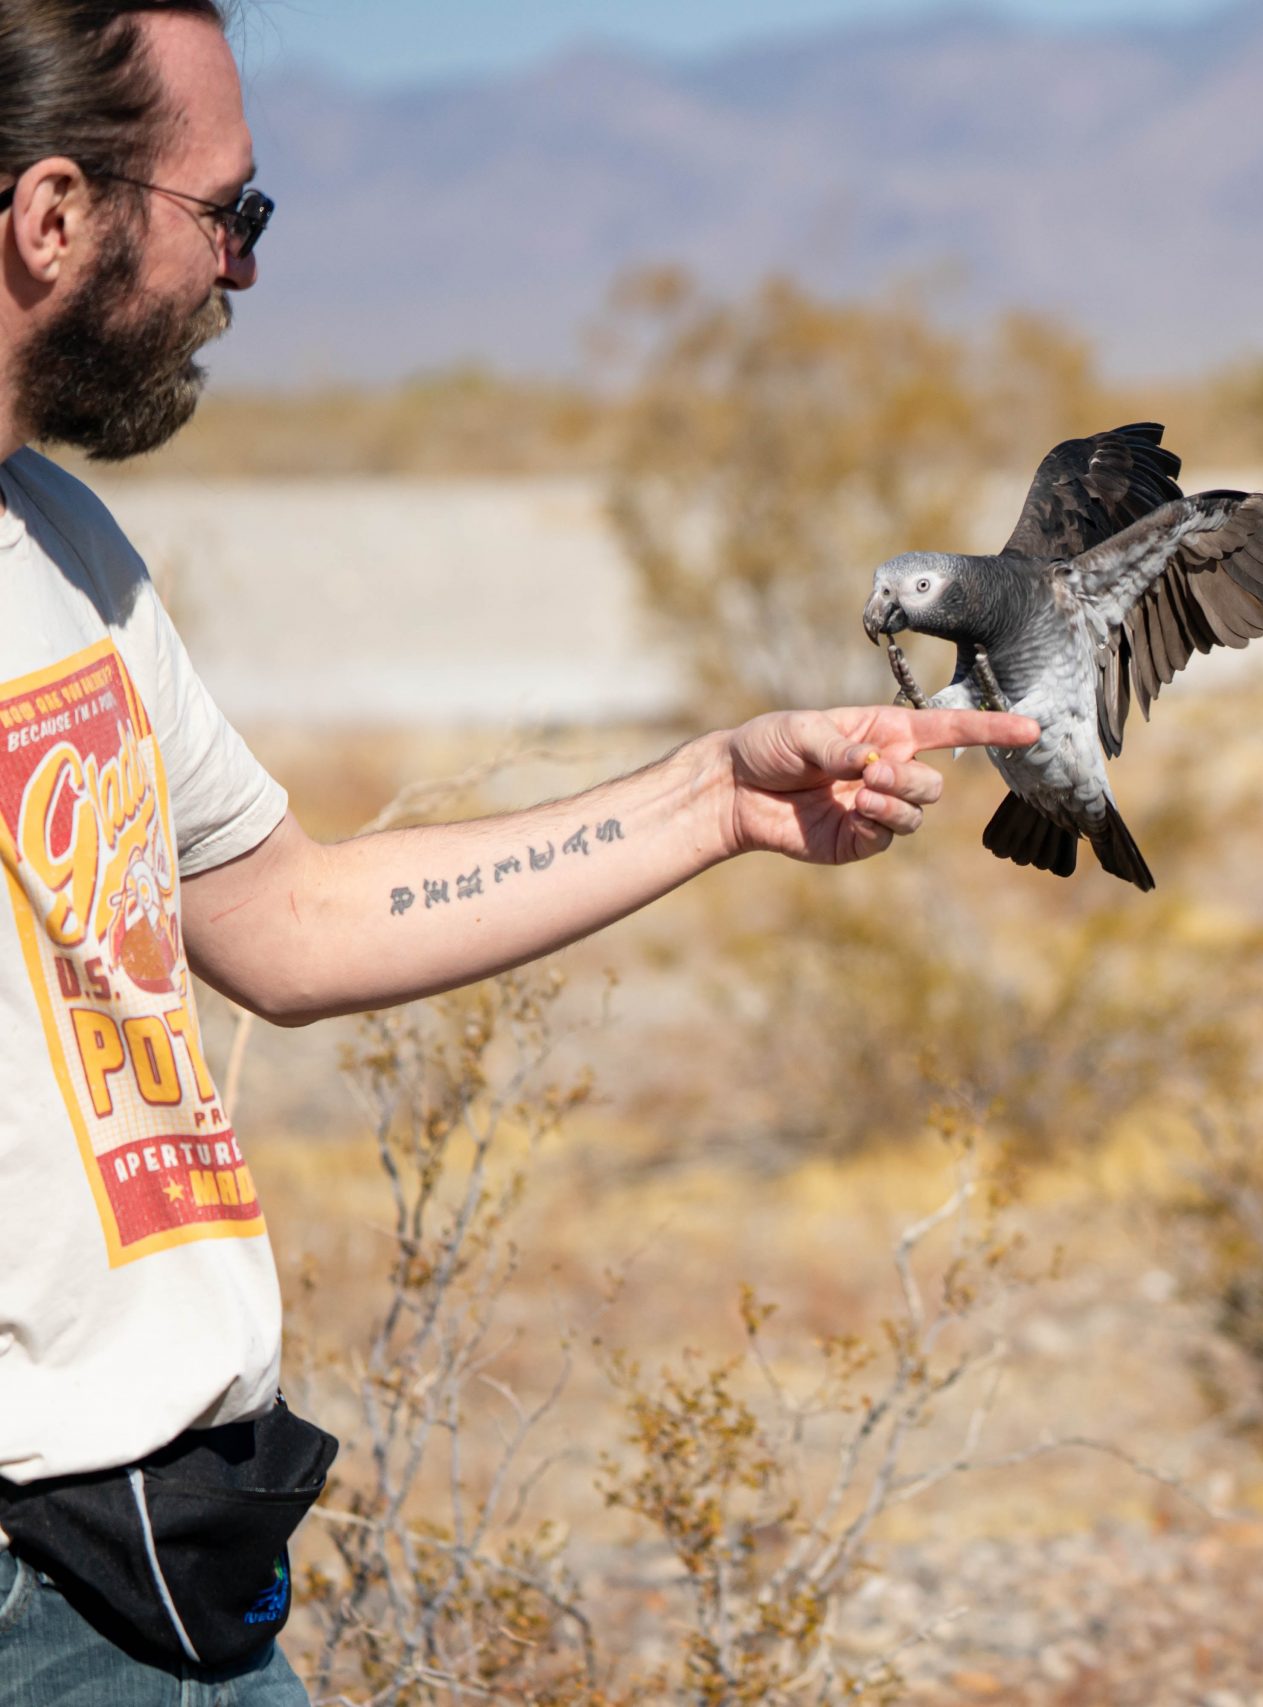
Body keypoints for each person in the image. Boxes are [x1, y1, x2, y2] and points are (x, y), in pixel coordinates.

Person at [0, 5, 1038, 1700]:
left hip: (164, 1567)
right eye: (227, 216)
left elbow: (288, 915)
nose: (245, 276)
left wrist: (714, 799)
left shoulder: (59, 549)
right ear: (56, 216)